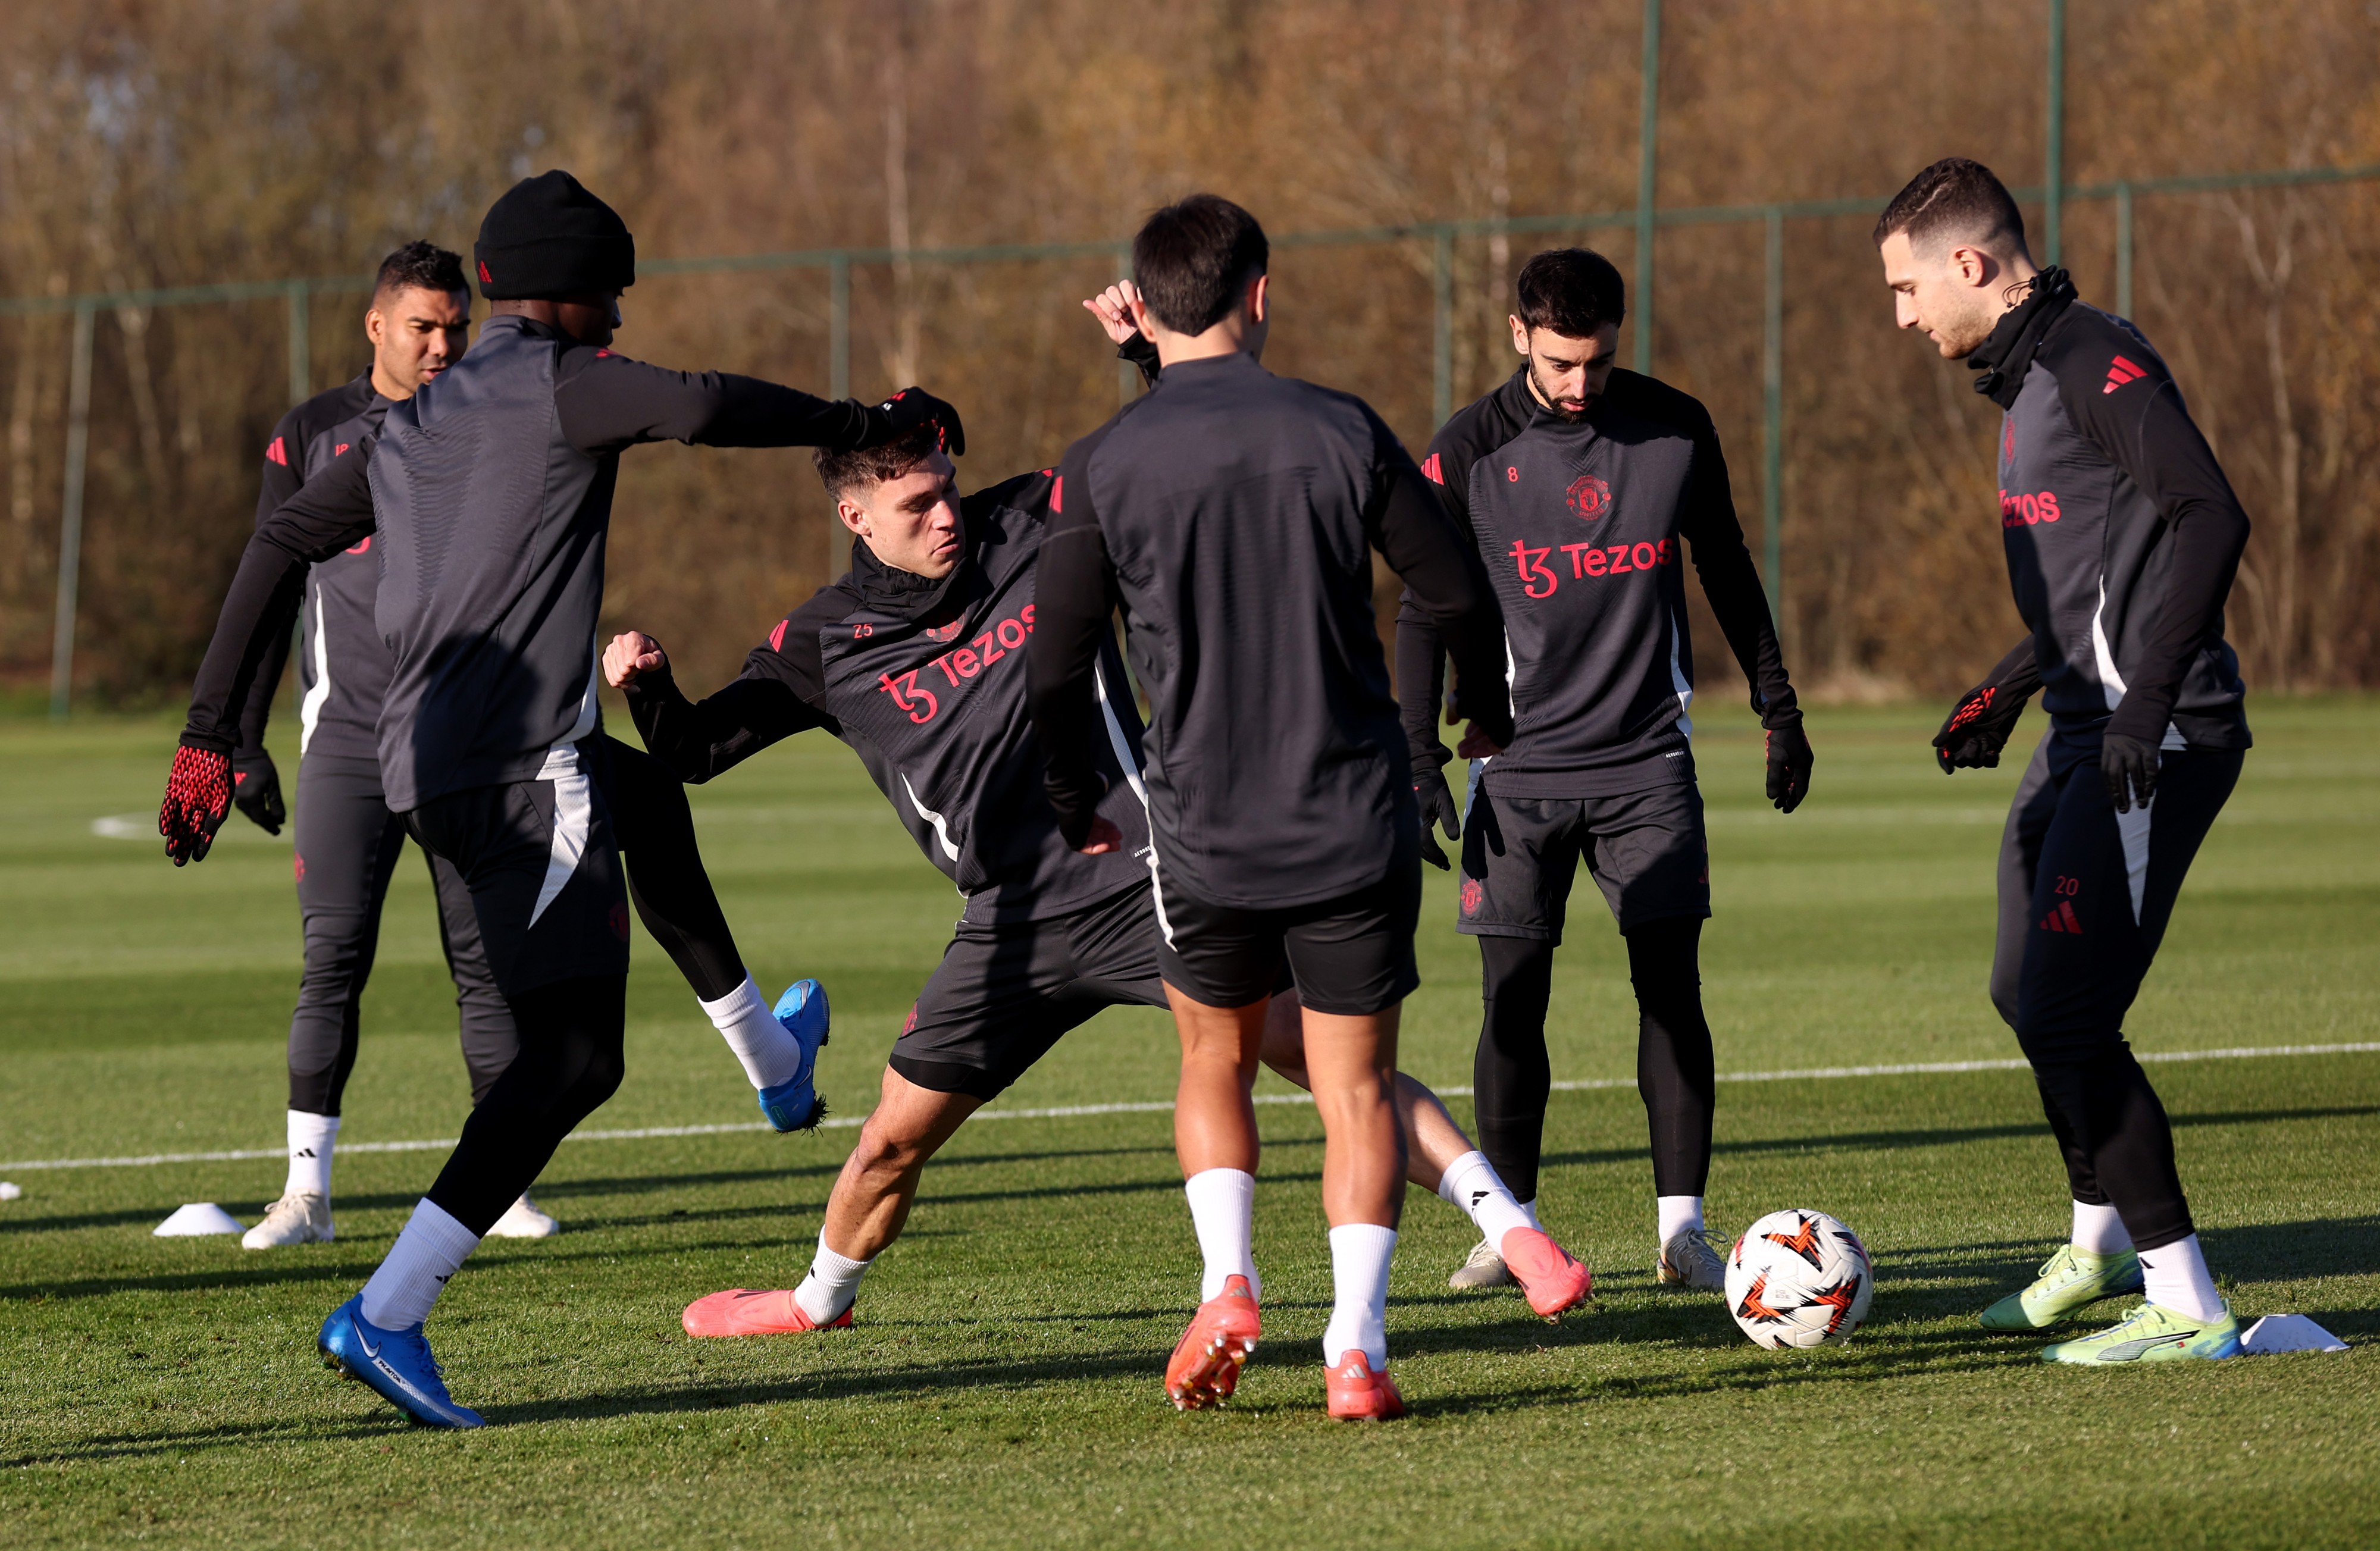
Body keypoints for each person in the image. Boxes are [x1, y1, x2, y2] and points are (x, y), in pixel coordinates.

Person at [609, 300, 1585, 1365]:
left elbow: (1172, 450)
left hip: (1148, 870)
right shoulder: (824, 642)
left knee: (1320, 1056)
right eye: (916, 504)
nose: (946, 517)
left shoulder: (1035, 521)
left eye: (946, 487)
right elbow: (695, 753)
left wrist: (1141, 354)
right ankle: (815, 1298)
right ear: (855, 519)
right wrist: (650, 689)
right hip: (1011, 926)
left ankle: (1515, 1231)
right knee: (890, 1140)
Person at [157, 170, 962, 1427]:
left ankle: (771, 1054)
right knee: (576, 1058)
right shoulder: (556, 380)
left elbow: (275, 544)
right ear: (571, 296)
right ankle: (387, 1310)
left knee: (643, 798)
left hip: (432, 768)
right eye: (614, 296)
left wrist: (210, 729)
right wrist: (864, 414)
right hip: (517, 772)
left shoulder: (410, 421)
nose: (622, 321)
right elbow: (700, 407)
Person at [1029, 196, 1530, 1421]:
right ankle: (1352, 1347)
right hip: (1349, 814)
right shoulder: (1338, 427)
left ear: (1141, 311)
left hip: (1200, 825)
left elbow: (1051, 659)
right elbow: (1456, 589)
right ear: (1261, 292)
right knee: (1357, 1088)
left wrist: (1065, 796)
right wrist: (1479, 712)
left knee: (1212, 1056)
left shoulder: (1103, 460)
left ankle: (1227, 1282)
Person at [1877, 157, 2251, 1364]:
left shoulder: (2091, 358)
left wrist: (2142, 707)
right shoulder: (2026, 379)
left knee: (2066, 1006)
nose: (1900, 314)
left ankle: (2186, 1299)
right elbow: (2096, 582)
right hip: (2078, 728)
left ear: (1970, 266)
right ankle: (2093, 1244)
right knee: (2019, 986)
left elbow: (2209, 511)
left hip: (2154, 737)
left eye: (1905, 286)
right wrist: (2010, 679)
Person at [1398, 248, 1812, 1298]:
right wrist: (1415, 755)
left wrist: (1780, 706)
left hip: (1646, 766)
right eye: (1561, 361)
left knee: (1671, 993)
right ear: (1518, 336)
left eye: (1600, 360)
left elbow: (1726, 563)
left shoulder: (1674, 428)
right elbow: (1421, 607)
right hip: (1518, 769)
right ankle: (1513, 1228)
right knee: (1510, 1003)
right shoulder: (1465, 452)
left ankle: (1682, 1232)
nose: (1583, 383)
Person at [230, 241, 562, 1249]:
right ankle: (307, 1197)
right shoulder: (313, 433)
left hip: (466, 742)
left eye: (455, 326)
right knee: (333, 957)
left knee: (490, 965)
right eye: (422, 325)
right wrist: (238, 739)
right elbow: (269, 582)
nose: (441, 344)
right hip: (345, 743)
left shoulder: (494, 422)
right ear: (376, 326)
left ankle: (498, 1189)